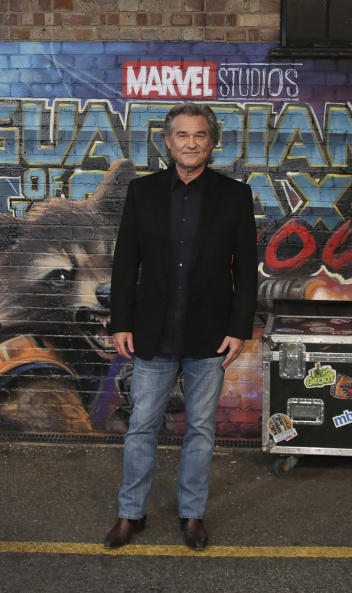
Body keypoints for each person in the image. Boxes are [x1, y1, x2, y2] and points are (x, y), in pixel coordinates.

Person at [103, 102, 258, 551]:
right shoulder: (142, 192)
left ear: (212, 142)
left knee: (201, 430)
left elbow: (246, 270)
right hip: (152, 332)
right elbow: (124, 262)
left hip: (209, 335)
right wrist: (121, 321)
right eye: (182, 135)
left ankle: (192, 515)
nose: (191, 143)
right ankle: (131, 513)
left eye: (200, 135)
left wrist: (239, 327)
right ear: (167, 142)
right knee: (141, 428)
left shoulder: (234, 196)